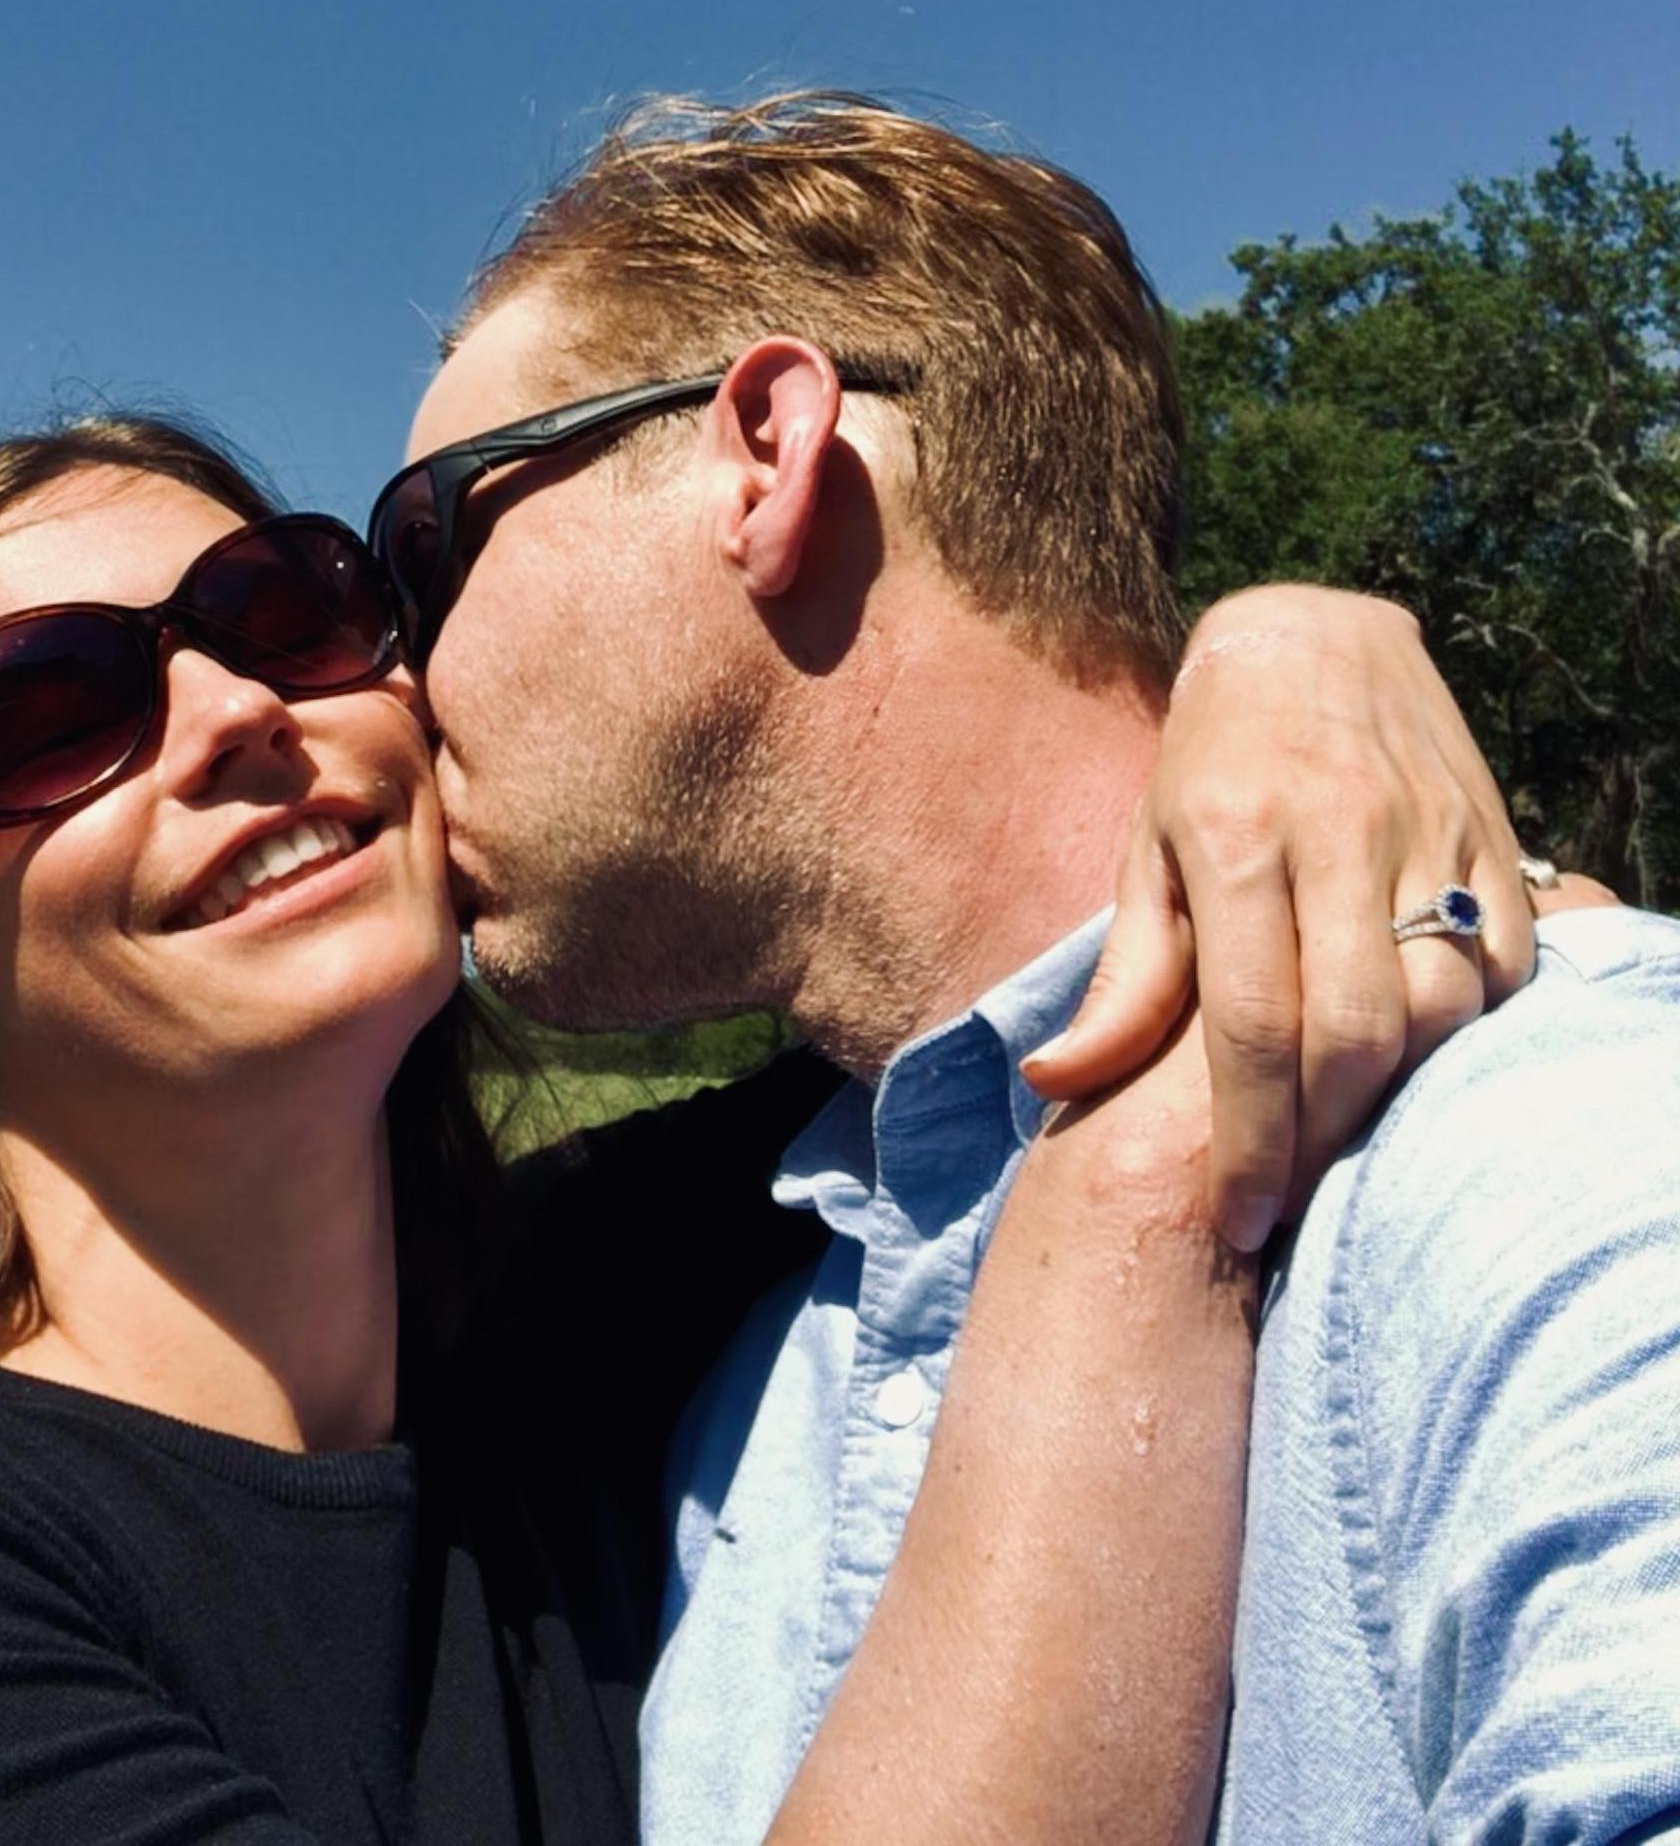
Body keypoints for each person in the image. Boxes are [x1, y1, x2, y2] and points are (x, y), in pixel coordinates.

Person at [0, 413, 1534, 1845]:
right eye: (39, 712)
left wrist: (1296, 654)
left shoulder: (595, 1324)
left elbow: (1063, 949)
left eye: (282, 610)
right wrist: (1145, 1188)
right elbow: (1149, 1044)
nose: (226, 713)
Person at [380, 91, 1680, 1844]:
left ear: (762, 452)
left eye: (428, 548)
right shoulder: (710, 1353)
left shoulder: (1563, 1150)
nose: (392, 682)